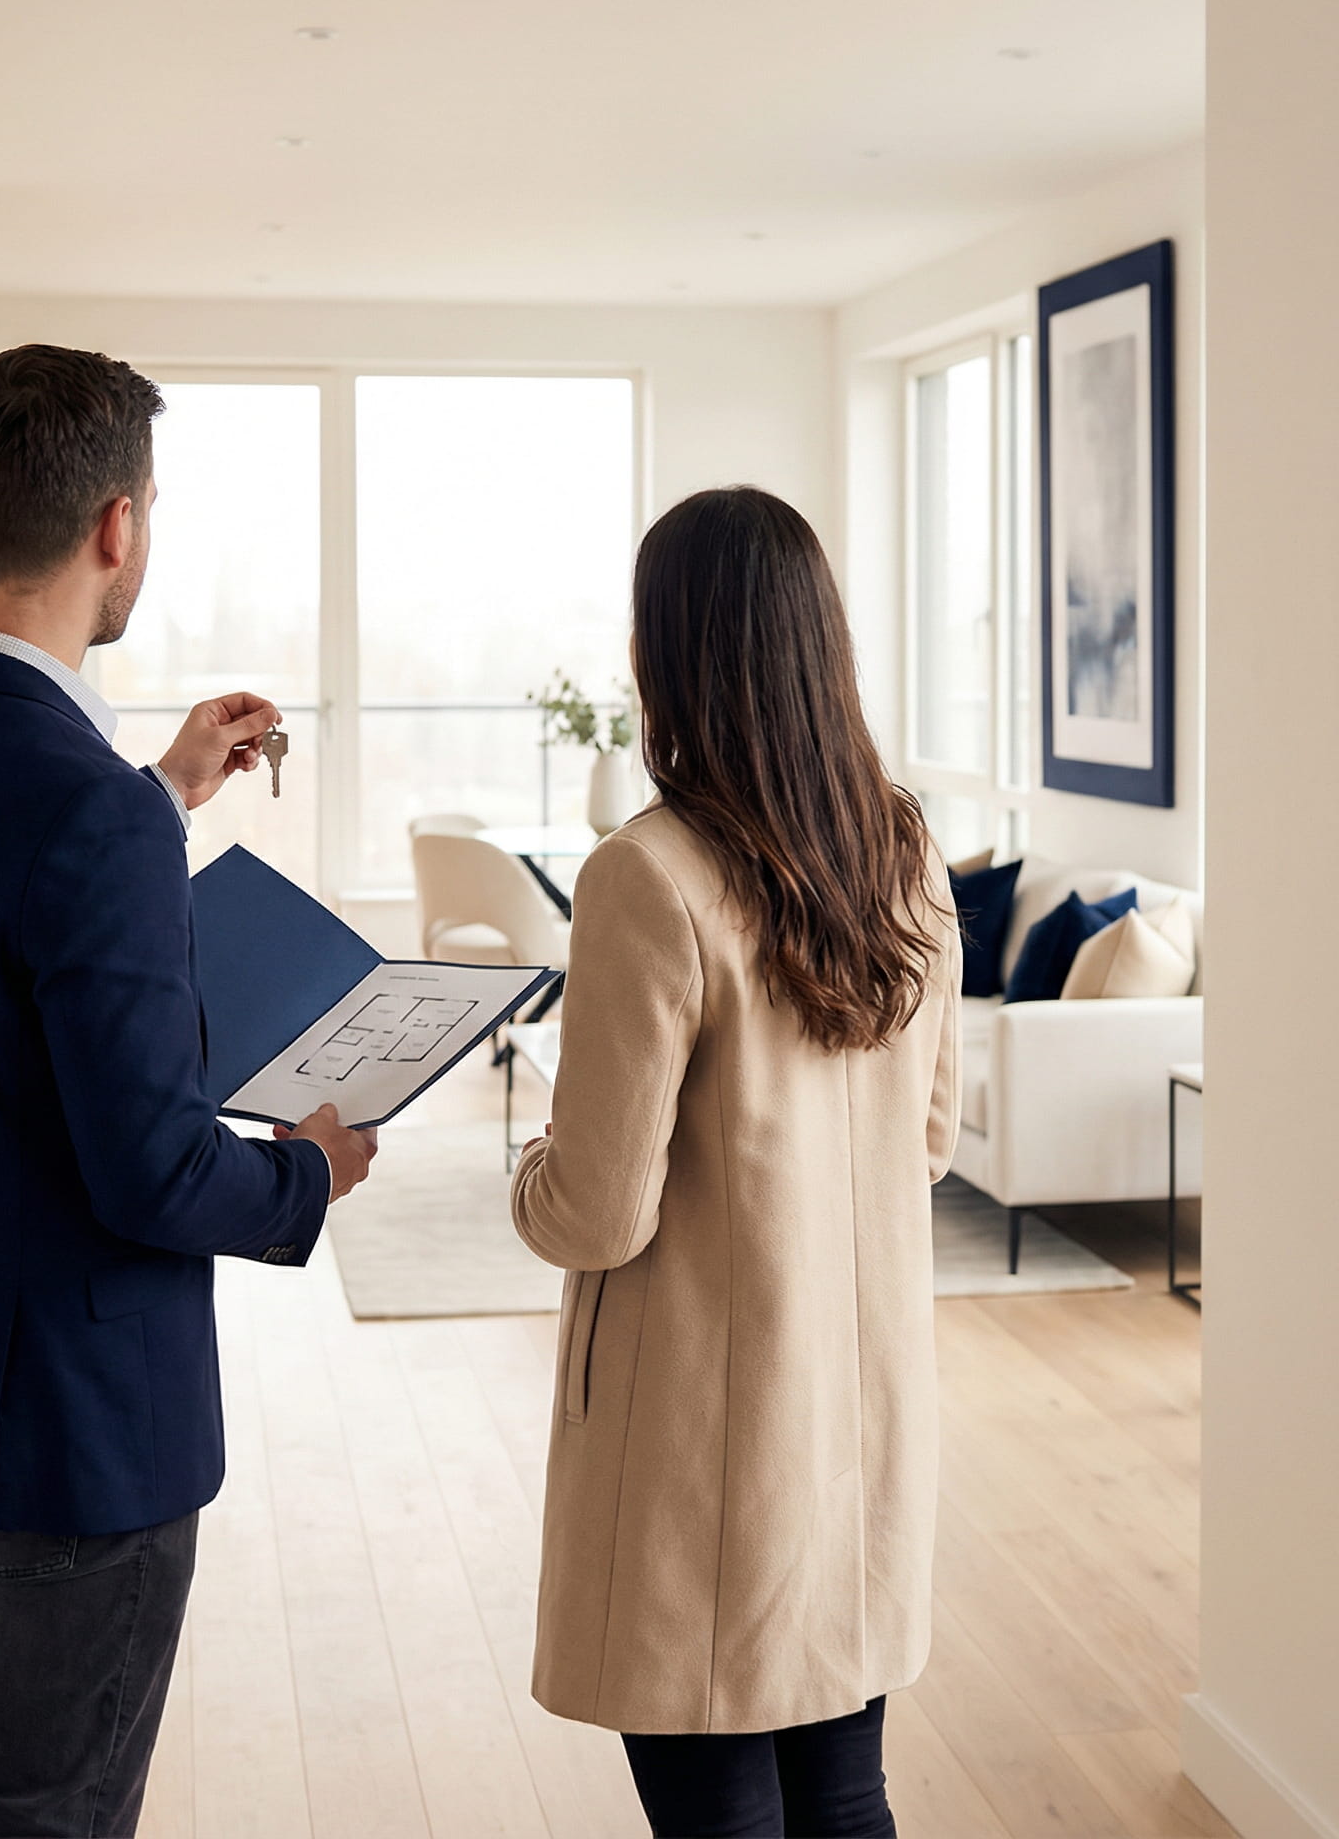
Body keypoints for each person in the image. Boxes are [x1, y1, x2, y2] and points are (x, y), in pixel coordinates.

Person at [0, 344, 379, 1839]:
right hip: (68, 1426)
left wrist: (163, 792)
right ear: (117, 524)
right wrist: (309, 1168)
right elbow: (154, 1173)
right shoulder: (82, 805)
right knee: (48, 1812)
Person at [510, 486, 960, 1839]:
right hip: (862, 1415)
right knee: (844, 1792)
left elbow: (594, 1212)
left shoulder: (646, 876)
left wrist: (528, 1169)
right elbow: (931, 1141)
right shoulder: (908, 849)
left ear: (671, 656)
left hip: (707, 1443)